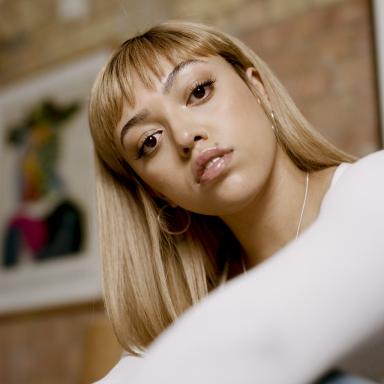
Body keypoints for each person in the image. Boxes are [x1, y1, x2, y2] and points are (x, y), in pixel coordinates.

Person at [88, 20, 383, 383]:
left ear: (258, 89)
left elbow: (265, 340)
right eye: (149, 141)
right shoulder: (186, 315)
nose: (185, 136)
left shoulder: (374, 186)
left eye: (198, 92)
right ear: (153, 190)